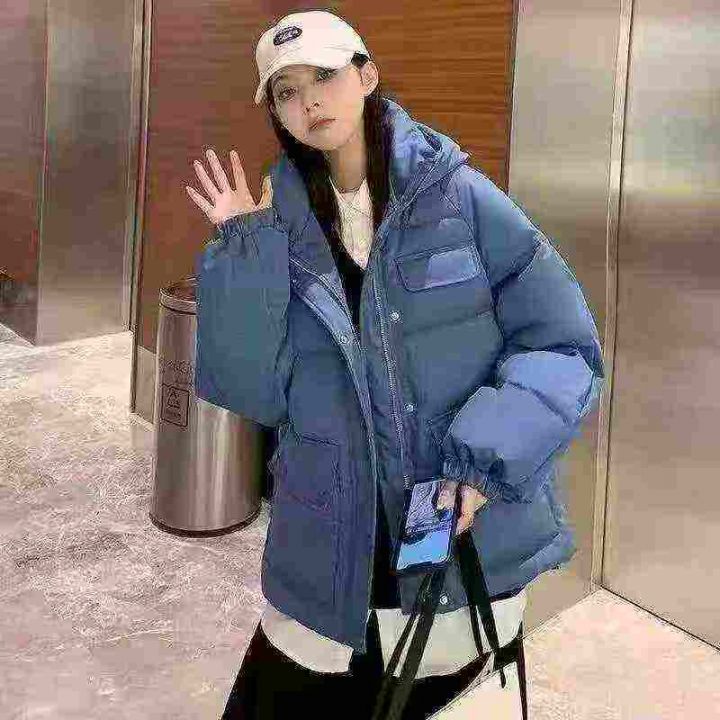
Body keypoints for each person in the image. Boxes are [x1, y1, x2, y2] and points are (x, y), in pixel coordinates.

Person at [186, 9, 605, 719]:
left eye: (324, 76)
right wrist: (243, 255)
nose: (309, 102)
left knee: (414, 691)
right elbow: (254, 392)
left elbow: (562, 343)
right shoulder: (275, 222)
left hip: (444, 523)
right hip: (328, 539)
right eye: (286, 91)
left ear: (368, 76)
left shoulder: (458, 197)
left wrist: (483, 463)